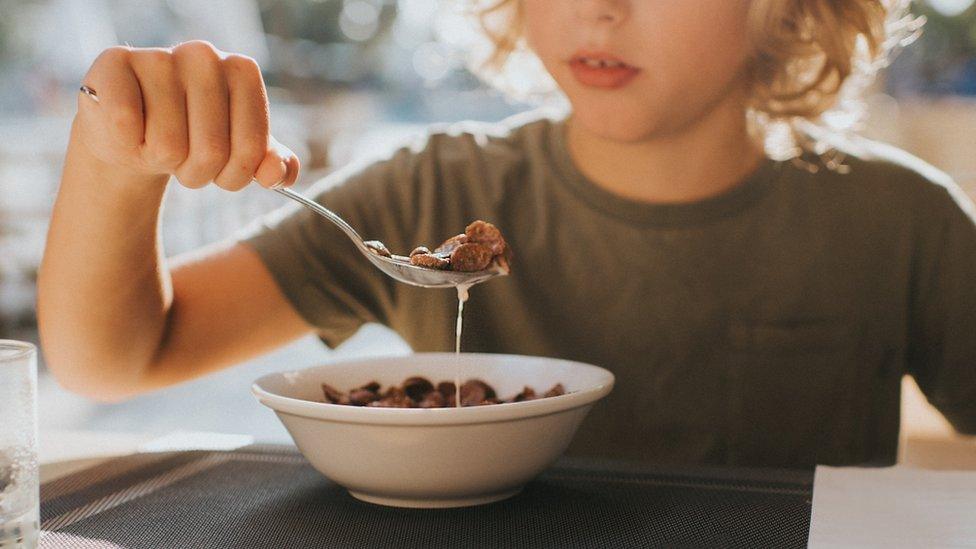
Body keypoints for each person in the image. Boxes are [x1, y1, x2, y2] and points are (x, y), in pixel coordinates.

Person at [38, 0, 976, 468]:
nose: (599, 6)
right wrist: (116, 160)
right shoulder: (430, 192)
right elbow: (119, 359)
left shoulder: (901, 223)